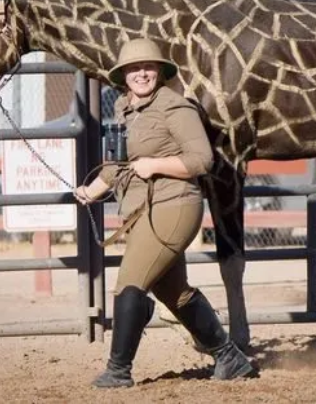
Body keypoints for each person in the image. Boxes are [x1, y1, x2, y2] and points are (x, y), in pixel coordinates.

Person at [74, 38, 254, 388]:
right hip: (145, 211)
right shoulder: (124, 109)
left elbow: (202, 160)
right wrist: (90, 191)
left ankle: (118, 371)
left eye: (148, 67)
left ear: (159, 71)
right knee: (175, 293)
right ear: (123, 75)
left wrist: (154, 164)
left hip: (174, 207)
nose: (141, 73)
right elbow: (118, 166)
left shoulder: (175, 108)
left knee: (130, 284)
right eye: (134, 68)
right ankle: (229, 358)